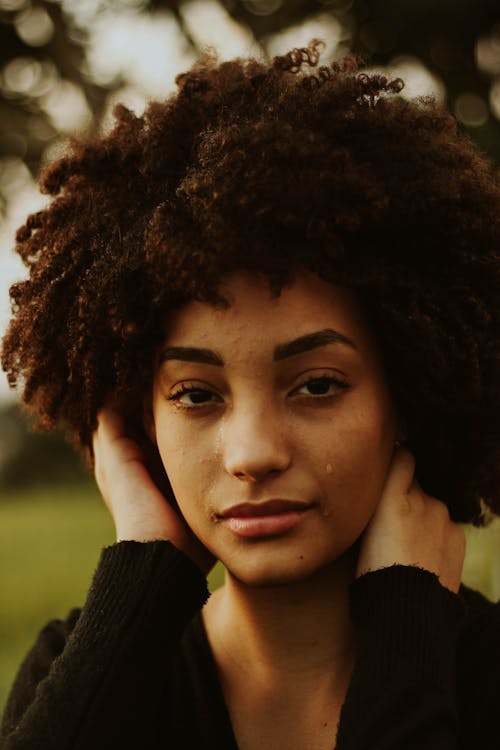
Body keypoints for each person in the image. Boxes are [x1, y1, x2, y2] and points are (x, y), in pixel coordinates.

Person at [0, 40, 499, 750]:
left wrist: (404, 646)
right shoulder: (85, 679)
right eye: (197, 395)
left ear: (412, 397)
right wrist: (143, 577)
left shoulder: (483, 681)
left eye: (318, 386)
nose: (253, 453)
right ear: (139, 421)